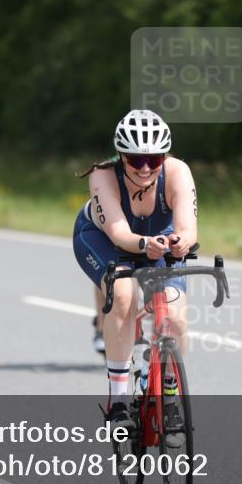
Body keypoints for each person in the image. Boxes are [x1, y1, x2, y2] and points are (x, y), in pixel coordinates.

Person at [72, 110, 198, 425]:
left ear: (164, 156)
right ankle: (118, 400)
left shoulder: (177, 171)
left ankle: (169, 391)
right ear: (121, 156)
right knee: (124, 295)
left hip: (159, 239)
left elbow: (188, 228)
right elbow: (119, 234)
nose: (144, 168)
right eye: (135, 160)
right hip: (103, 239)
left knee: (176, 319)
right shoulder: (103, 175)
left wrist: (181, 242)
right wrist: (144, 245)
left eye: (153, 160)